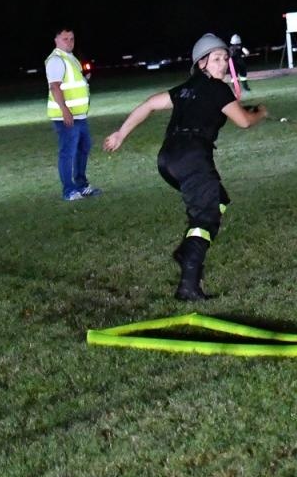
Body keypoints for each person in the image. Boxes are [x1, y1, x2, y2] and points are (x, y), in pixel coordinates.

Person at [103, 33, 269, 300]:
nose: (223, 64)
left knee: (218, 198)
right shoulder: (218, 88)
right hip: (192, 157)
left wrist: (121, 134)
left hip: (168, 159)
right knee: (206, 217)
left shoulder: (184, 89)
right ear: (201, 63)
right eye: (216, 59)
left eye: (225, 58)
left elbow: (149, 104)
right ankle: (188, 284)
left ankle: (187, 250)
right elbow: (244, 122)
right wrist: (261, 112)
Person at [46, 28, 99, 201]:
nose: (69, 42)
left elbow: (72, 83)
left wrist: (85, 80)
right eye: (65, 39)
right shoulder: (56, 60)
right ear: (56, 40)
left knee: (83, 148)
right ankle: (69, 191)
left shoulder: (72, 59)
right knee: (68, 152)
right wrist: (65, 111)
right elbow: (55, 86)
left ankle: (82, 185)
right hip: (67, 116)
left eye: (72, 38)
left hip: (79, 115)